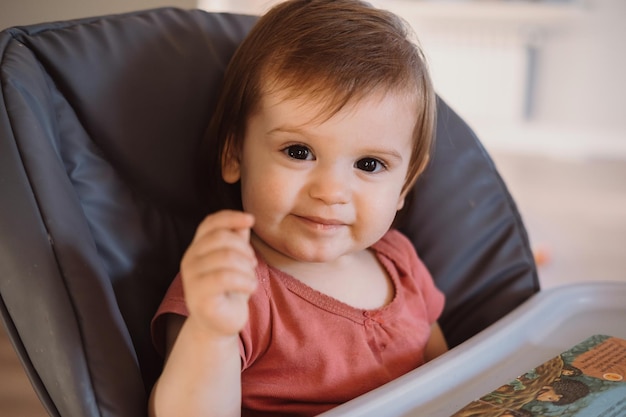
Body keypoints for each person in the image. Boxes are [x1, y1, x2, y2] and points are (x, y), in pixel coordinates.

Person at [149, 1, 447, 416]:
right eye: (299, 151)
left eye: (369, 164)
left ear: (405, 185)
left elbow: (452, 378)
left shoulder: (401, 262)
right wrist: (211, 332)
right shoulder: (231, 285)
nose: (330, 191)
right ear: (234, 153)